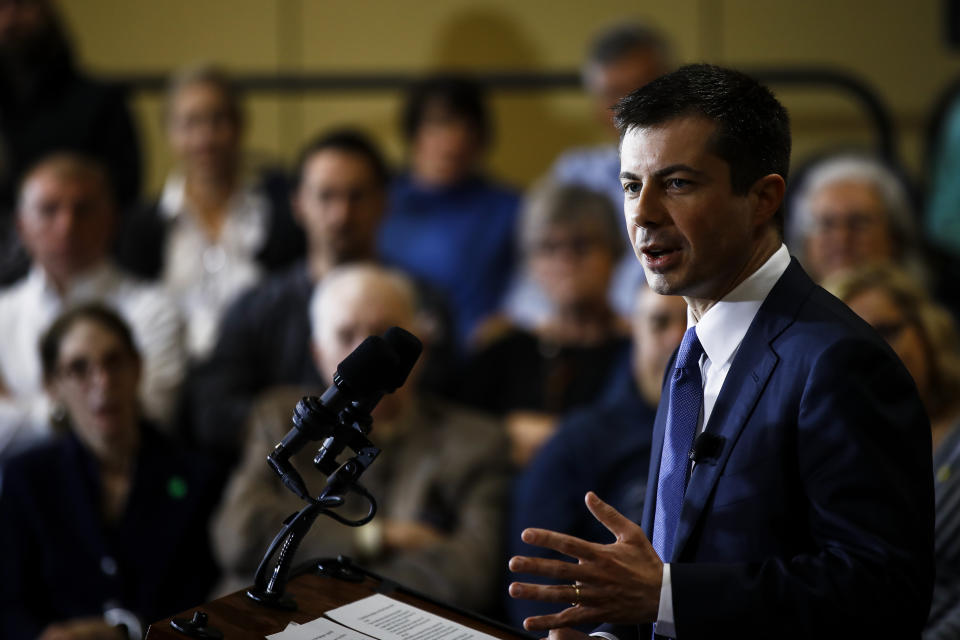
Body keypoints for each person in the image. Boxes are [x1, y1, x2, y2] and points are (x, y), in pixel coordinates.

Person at [508, 64, 933, 639]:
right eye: (632, 185)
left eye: (677, 183)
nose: (644, 214)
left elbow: (883, 592)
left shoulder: (836, 362)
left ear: (763, 198)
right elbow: (671, 573)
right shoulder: (689, 354)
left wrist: (663, 595)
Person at [211, 263, 510, 614]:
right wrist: (377, 537)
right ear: (318, 353)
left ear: (421, 347)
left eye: (379, 337)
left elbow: (467, 577)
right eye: (345, 335)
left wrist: (336, 610)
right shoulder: (280, 416)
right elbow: (239, 535)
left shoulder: (477, 442)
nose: (364, 357)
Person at [185, 129, 455, 454]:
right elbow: (214, 411)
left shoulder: (424, 302)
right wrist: (304, 426)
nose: (341, 215)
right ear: (298, 204)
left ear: (384, 203)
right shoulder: (256, 308)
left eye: (357, 196)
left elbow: (446, 404)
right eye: (326, 196)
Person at [0, 304, 222, 640]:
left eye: (113, 362)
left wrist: (125, 633)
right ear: (52, 386)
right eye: (79, 368)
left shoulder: (195, 476)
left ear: (137, 367)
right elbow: (7, 604)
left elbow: (210, 595)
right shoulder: (26, 480)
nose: (102, 381)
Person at [506, 285, 686, 627]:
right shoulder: (579, 440)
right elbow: (534, 574)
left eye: (691, 324)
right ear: (632, 330)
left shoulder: (735, 430)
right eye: (660, 323)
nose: (677, 338)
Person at [0, 153, 185, 458]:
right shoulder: (3, 313)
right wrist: (96, 411)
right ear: (21, 226)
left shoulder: (154, 310)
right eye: (49, 210)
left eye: (83, 209)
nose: (67, 224)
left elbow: (149, 415)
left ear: (112, 219)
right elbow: (116, 417)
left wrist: (30, 411)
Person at [116, 64, 304, 360]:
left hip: (256, 377)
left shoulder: (282, 219)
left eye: (219, 120)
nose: (206, 138)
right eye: (190, 123)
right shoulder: (139, 226)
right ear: (169, 133)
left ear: (241, 126)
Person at [824, 264, 960, 639]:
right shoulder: (823, 455)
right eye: (852, 337)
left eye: (886, 331)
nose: (875, 351)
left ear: (927, 332)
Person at [507, 22, 673, 326]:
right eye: (613, 94)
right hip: (586, 338)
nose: (628, 107)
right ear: (596, 106)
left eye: (641, 90)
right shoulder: (572, 175)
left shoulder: (701, 176)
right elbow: (528, 295)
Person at [459, 182, 631, 467]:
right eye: (548, 248)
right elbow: (457, 432)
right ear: (530, 262)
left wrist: (547, 434)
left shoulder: (640, 351)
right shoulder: (503, 349)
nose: (564, 260)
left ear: (614, 252)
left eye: (581, 245)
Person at [0, 0, 141, 285]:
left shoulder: (100, 103)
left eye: (22, 6)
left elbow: (123, 197)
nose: (11, 20)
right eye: (2, 8)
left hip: (85, 271)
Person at [377, 74, 520, 348]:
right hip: (394, 356)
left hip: (483, 359)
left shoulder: (509, 209)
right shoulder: (380, 204)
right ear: (414, 132)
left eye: (467, 128)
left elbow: (536, 283)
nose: (455, 140)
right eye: (440, 124)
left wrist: (513, 317)